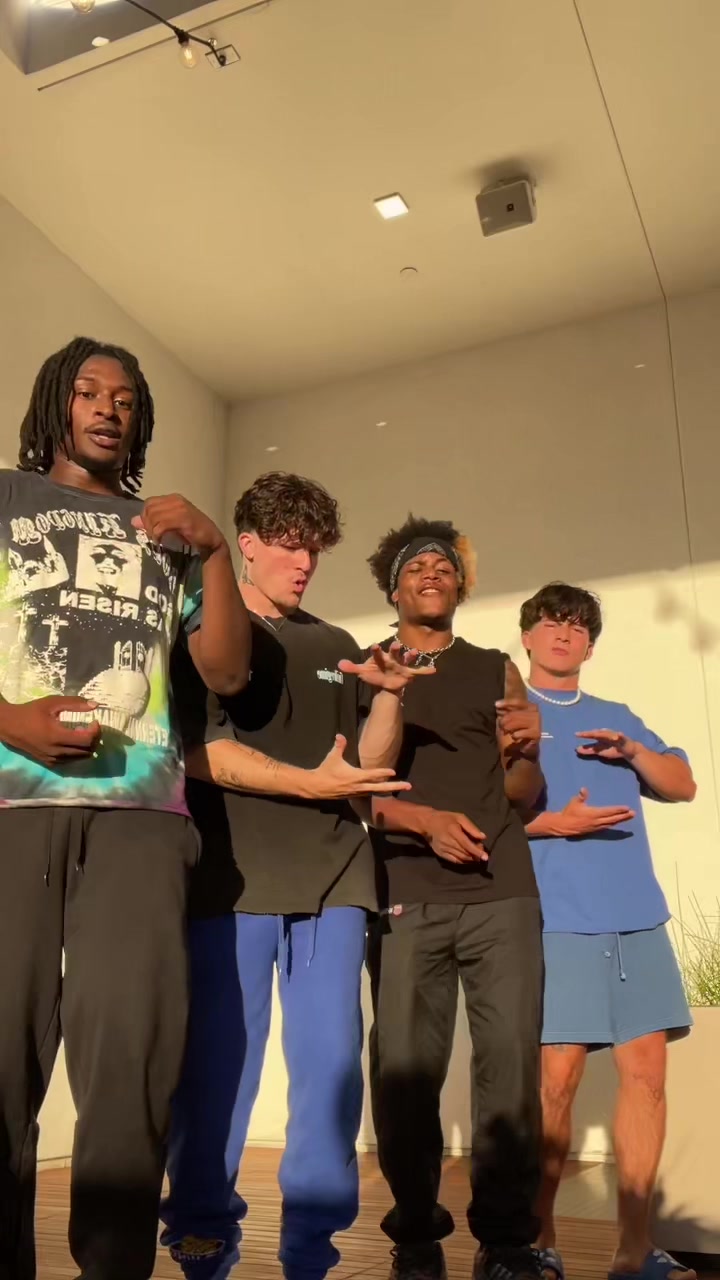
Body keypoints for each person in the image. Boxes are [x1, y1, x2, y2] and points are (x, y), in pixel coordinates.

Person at [0, 336, 250, 1280]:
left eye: (127, 399)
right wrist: (9, 721)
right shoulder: (5, 498)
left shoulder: (169, 533)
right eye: (88, 392)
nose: (108, 408)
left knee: (131, 1065)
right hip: (11, 807)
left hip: (142, 818)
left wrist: (215, 550)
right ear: (54, 404)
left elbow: (226, 670)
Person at [161, 472, 431, 1280]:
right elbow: (199, 753)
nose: (304, 562)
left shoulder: (337, 644)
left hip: (335, 883)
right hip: (232, 883)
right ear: (246, 544)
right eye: (288, 545)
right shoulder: (208, 630)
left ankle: (310, 1252)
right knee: (219, 1072)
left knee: (331, 1072)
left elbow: (366, 768)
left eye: (313, 548)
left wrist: (388, 699)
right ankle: (202, 1237)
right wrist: (309, 785)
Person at [363, 515, 546, 1280]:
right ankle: (415, 1235)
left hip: (502, 893)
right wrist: (427, 824)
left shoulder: (497, 669)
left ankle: (506, 1243)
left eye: (443, 565)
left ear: (460, 586)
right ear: (393, 588)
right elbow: (356, 792)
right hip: (407, 891)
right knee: (405, 1072)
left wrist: (528, 749)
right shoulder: (367, 668)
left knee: (510, 1065)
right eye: (415, 566)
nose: (431, 573)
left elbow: (523, 790)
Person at [519, 582, 696, 1280]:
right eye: (551, 622)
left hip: (637, 921)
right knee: (554, 1086)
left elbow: (682, 783)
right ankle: (538, 1242)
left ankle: (635, 1250)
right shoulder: (508, 713)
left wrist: (633, 752)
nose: (565, 634)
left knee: (647, 1080)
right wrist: (552, 825)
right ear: (527, 636)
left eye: (578, 627)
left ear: (590, 646)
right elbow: (477, 817)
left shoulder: (617, 718)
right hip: (557, 924)